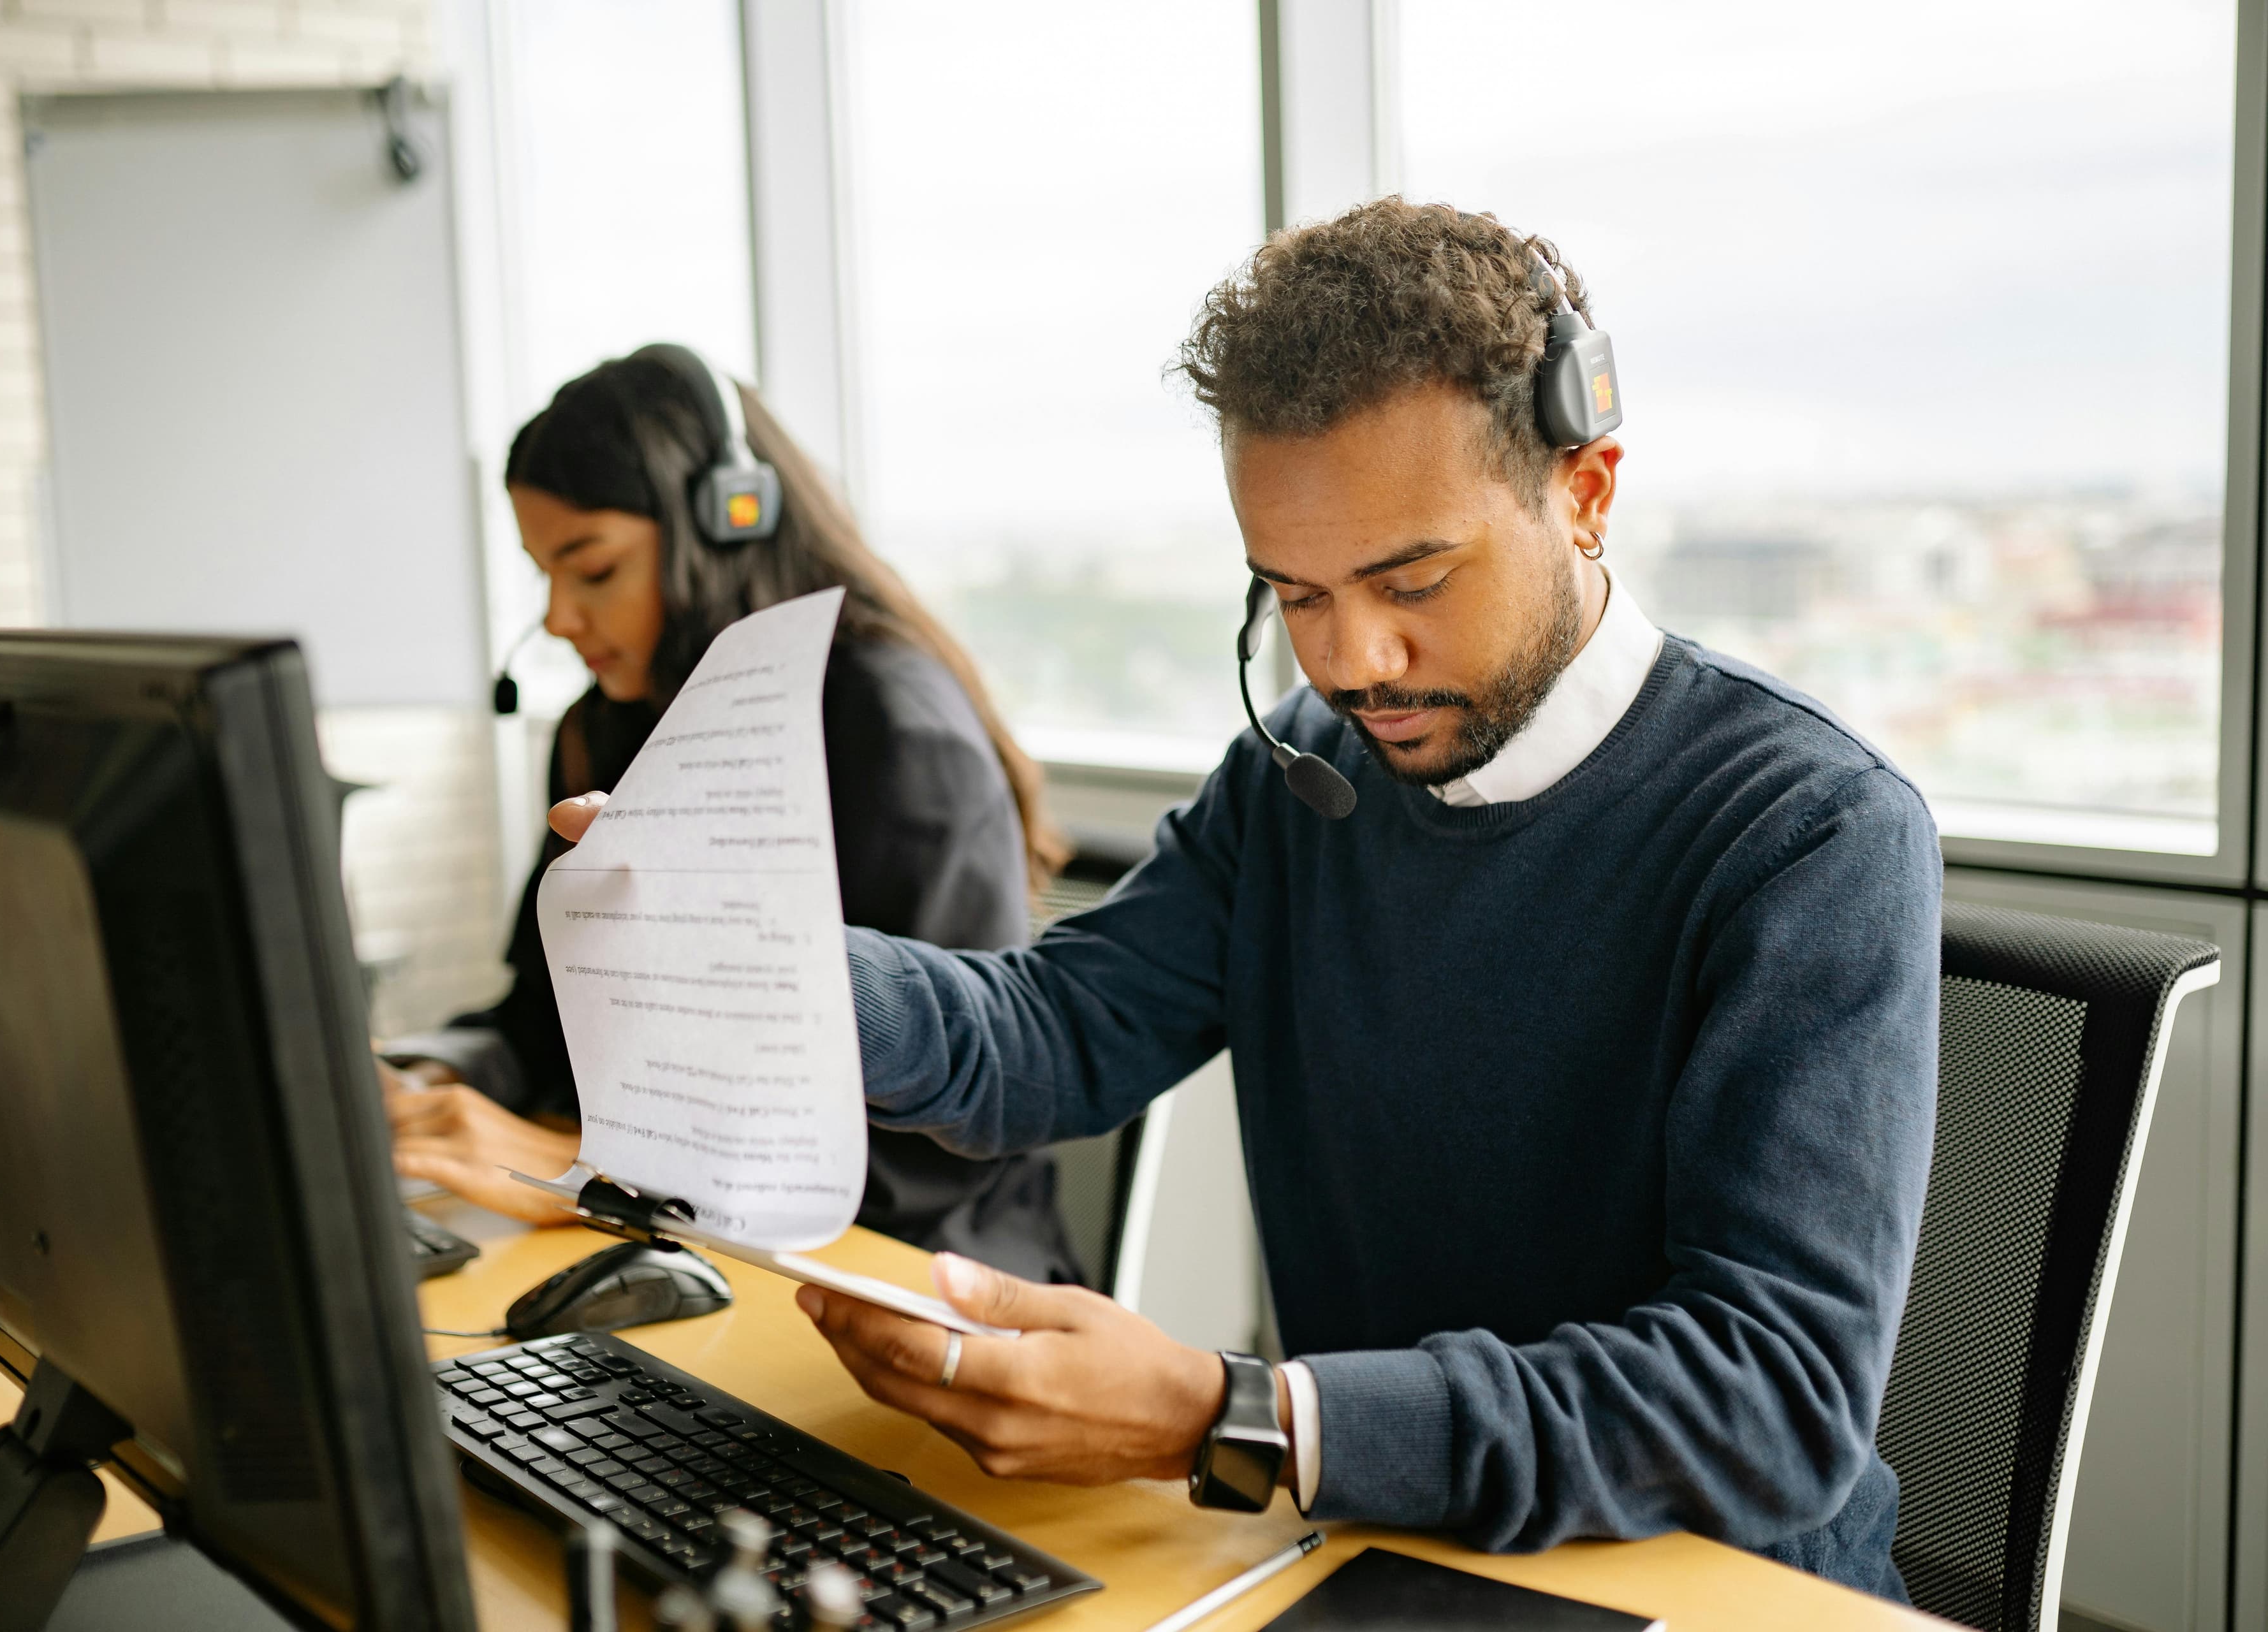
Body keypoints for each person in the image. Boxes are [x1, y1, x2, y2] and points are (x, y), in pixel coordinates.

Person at [552, 204, 1940, 1598]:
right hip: (1384, 1551)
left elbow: (1776, 1398)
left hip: (1713, 1582)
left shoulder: (1809, 832)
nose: (1353, 660)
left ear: (1585, 490)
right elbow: (1054, 1027)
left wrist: (1245, 1418)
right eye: (1294, 592)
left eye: (1413, 581)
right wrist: (763, 954)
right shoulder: (1303, 778)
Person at [383, 344, 1083, 1283]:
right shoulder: (608, 727)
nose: (555, 618)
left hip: (909, 1271)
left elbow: (934, 1150)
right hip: (689, 1248)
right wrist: (425, 1076)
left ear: (727, 526)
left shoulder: (896, 729)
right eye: (542, 573)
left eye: (592, 570)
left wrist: (588, 1175)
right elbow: (537, 1026)